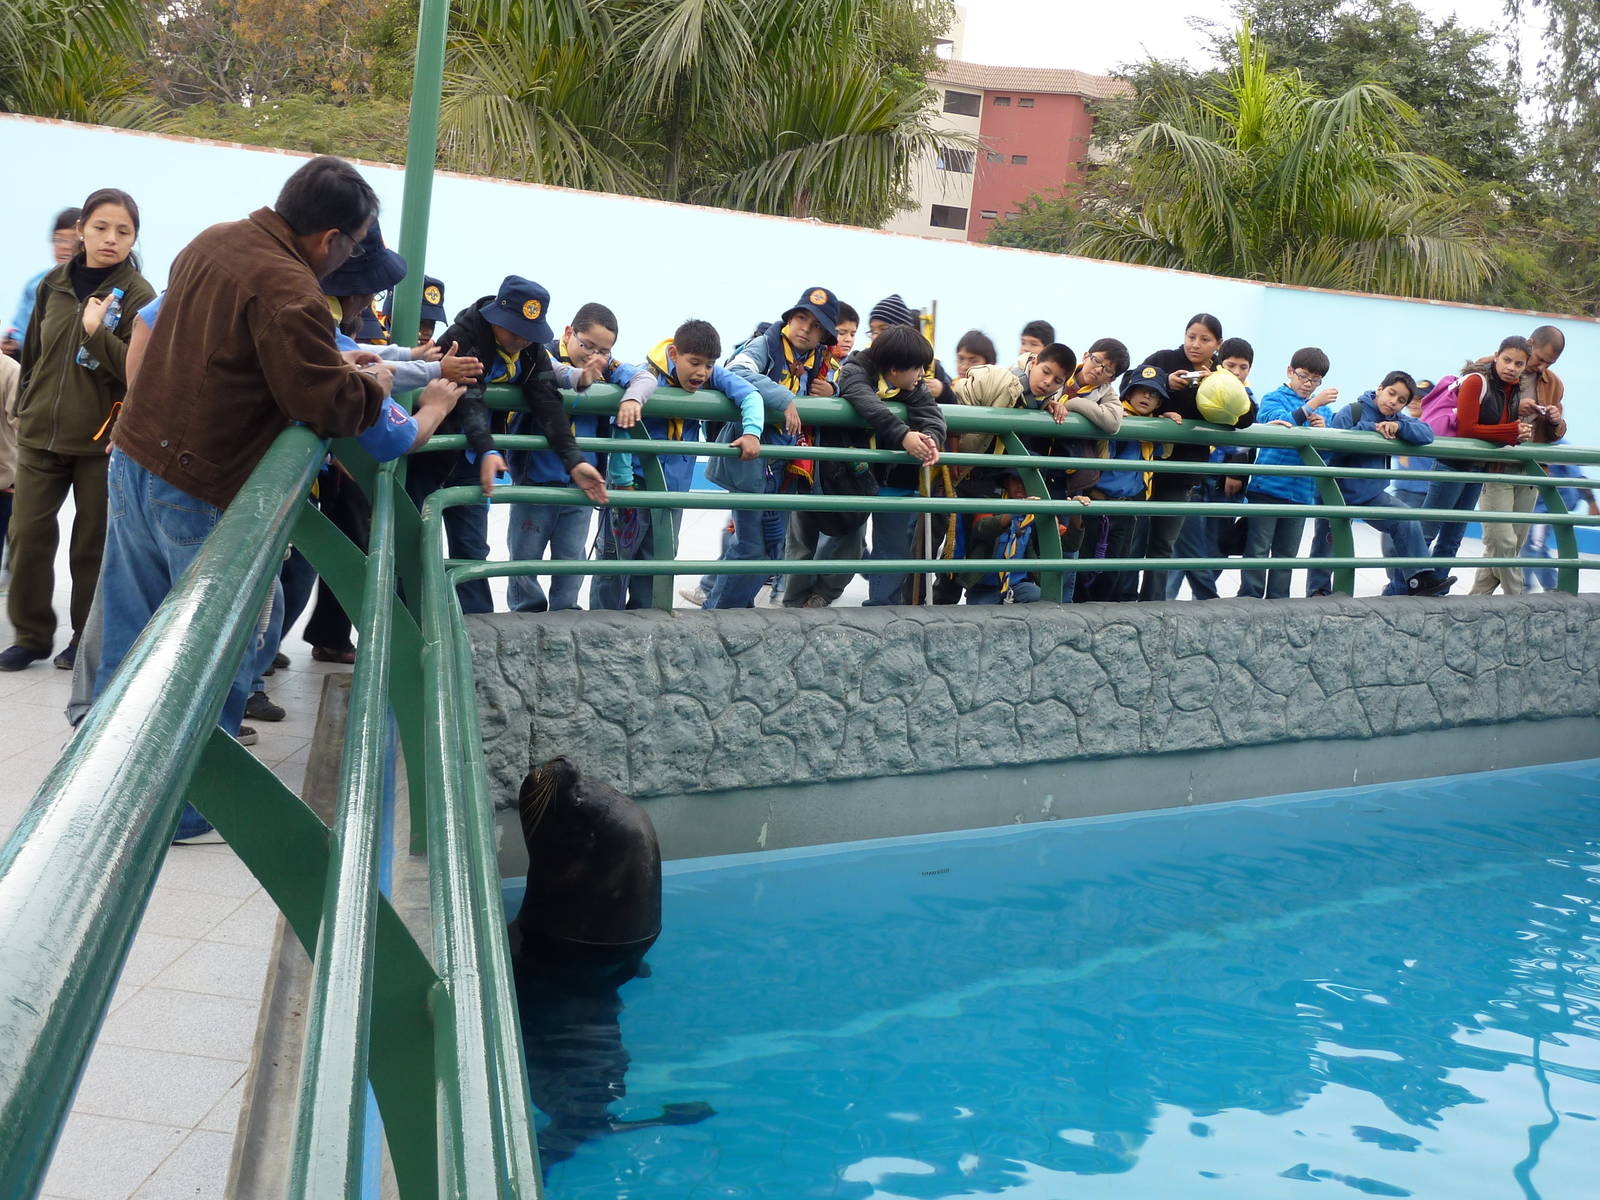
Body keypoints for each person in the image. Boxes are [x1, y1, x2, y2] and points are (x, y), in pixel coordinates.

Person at [95, 155, 393, 841]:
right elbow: (325, 403)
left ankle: (109, 784)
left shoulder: (215, 239)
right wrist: (371, 384)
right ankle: (188, 806)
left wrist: (328, 361)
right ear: (331, 239)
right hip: (199, 486)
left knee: (131, 636)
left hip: (136, 461)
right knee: (208, 651)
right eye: (353, 247)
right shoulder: (289, 287)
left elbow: (227, 351)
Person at [1, 188, 155, 672]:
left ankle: (83, 640)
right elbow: (34, 352)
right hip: (39, 435)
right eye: (101, 227)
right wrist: (25, 405)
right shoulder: (52, 284)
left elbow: (138, 372)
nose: (111, 238)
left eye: (123, 231)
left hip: (100, 442)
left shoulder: (140, 296)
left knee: (92, 547)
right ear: (82, 230)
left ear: (133, 239)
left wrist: (96, 332)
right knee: (26, 535)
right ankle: (30, 636)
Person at [408, 275, 608, 613]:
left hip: (472, 462)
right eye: (514, 330)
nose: (521, 339)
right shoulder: (463, 337)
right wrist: (487, 448)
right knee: (414, 541)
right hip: (430, 452)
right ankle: (410, 621)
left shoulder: (530, 351)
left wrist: (574, 460)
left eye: (529, 333)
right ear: (495, 318)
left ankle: (474, 625)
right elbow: (468, 396)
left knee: (471, 549)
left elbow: (547, 402)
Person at [595, 319, 763, 609]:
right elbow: (622, 424)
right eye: (694, 363)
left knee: (658, 561)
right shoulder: (645, 376)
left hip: (672, 492)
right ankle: (603, 621)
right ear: (674, 354)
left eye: (709, 365)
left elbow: (750, 395)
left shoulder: (710, 374)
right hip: (634, 485)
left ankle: (646, 621)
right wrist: (622, 481)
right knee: (616, 561)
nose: (702, 372)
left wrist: (752, 432)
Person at [507, 302, 655, 613]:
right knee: (524, 557)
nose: (594, 357)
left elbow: (645, 379)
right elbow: (553, 372)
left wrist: (631, 398)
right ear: (568, 333)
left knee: (572, 559)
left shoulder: (607, 367)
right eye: (587, 346)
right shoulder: (541, 354)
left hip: (581, 487)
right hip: (535, 483)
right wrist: (581, 376)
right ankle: (525, 615)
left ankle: (565, 615)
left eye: (604, 351)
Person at [783, 325, 944, 608]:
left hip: (877, 479)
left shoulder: (912, 386)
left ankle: (832, 597)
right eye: (917, 368)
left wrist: (930, 440)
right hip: (831, 474)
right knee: (812, 538)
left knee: (866, 546)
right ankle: (794, 602)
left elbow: (933, 416)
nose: (922, 375)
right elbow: (865, 401)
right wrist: (904, 435)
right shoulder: (856, 370)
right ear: (894, 369)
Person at [703, 288, 835, 610]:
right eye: (801, 318)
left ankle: (737, 609)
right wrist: (783, 398)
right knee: (749, 545)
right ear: (789, 319)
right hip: (751, 459)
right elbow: (736, 371)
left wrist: (832, 389)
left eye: (816, 325)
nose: (806, 328)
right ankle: (718, 613)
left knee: (774, 548)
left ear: (823, 336)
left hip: (783, 466)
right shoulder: (766, 345)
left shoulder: (818, 361)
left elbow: (846, 386)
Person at [1134, 313, 1256, 602]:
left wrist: (1220, 391)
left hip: (1182, 473)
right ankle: (1121, 599)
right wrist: (1165, 383)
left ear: (1218, 344)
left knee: (1163, 545)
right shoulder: (1163, 360)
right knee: (1132, 542)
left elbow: (1246, 416)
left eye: (1204, 339)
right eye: (1191, 337)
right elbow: (1131, 385)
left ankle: (1151, 604)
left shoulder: (1220, 375)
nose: (1195, 344)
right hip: (1143, 468)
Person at [1321, 371, 1455, 596]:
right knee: (1326, 545)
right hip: (1337, 492)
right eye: (1391, 393)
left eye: (1401, 400)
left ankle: (1419, 578)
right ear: (1380, 389)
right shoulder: (1353, 411)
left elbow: (1427, 434)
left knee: (1406, 520)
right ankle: (1318, 591)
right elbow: (1332, 447)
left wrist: (1399, 428)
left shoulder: (1396, 419)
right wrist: (1372, 429)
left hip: (1372, 494)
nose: (1394, 402)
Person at [1462, 336, 1561, 595]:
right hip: (1497, 466)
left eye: (1549, 363)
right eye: (1541, 359)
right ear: (1532, 343)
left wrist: (1555, 420)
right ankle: (1519, 599)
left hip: (1530, 470)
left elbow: (1557, 433)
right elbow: (1476, 419)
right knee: (1502, 541)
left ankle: (1476, 603)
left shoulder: (1554, 383)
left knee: (1508, 546)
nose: (1542, 367)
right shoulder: (1490, 370)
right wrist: (1517, 410)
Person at [1237, 347, 1337, 600]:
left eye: (1315, 380)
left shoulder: (1324, 412)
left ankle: (1279, 601)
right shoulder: (1274, 398)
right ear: (1290, 371)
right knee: (1258, 550)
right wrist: (1312, 405)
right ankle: (1249, 599)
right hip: (1267, 488)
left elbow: (1325, 458)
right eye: (1303, 376)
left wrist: (1323, 433)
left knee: (1286, 555)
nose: (1308, 384)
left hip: (1301, 493)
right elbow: (1279, 424)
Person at [1083, 367, 1180, 603]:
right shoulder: (1115, 416)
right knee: (1087, 559)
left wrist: (1167, 423)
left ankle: (1108, 607)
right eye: (1141, 390)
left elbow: (1165, 451)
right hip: (1097, 501)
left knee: (1116, 565)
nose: (1147, 397)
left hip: (1127, 507)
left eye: (1154, 394)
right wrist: (1116, 422)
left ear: (1159, 403)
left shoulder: (1152, 425)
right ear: (1128, 392)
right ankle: (1080, 605)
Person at [1169, 338, 1255, 600]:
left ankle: (1202, 599)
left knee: (1218, 545)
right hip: (1196, 476)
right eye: (1230, 366)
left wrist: (1236, 472)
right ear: (1219, 364)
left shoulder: (1247, 396)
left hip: (1225, 484)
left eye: (1243, 367)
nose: (1237, 373)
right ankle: (1174, 598)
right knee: (1184, 543)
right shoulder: (1206, 386)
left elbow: (1246, 432)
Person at [2, 208, 82, 359]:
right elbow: (19, 328)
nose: (65, 246)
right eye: (59, 239)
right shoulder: (35, 284)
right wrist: (13, 342)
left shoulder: (90, 285)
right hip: (32, 360)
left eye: (73, 239)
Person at [382, 274, 450, 347]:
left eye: (432, 324)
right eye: (420, 323)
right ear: (391, 318)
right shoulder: (375, 344)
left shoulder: (433, 350)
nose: (428, 332)